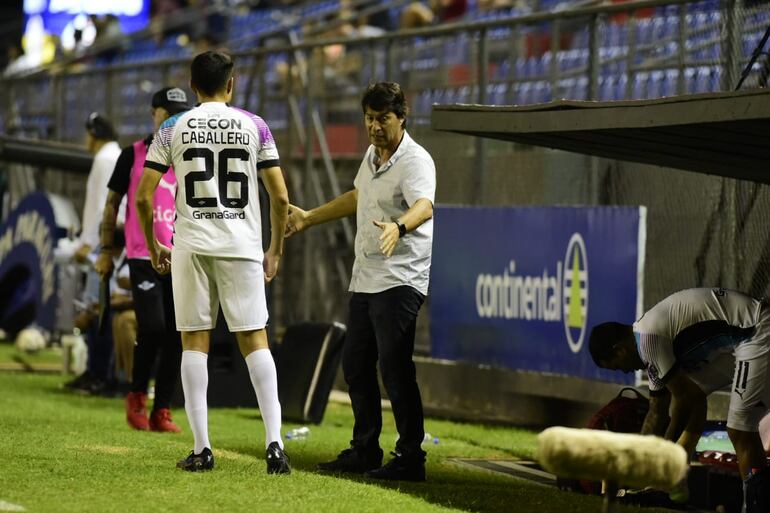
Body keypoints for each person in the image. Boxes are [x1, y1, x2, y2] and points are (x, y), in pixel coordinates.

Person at [135, 51, 291, 474]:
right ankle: (275, 445)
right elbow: (279, 197)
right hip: (242, 245)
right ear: (232, 83)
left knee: (194, 342)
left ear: (192, 85)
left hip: (192, 245)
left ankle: (202, 449)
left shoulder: (171, 127)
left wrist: (154, 245)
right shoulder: (255, 125)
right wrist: (274, 248)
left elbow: (145, 196)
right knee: (254, 340)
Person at [286, 81, 436, 482]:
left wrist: (399, 228)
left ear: (402, 116)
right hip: (366, 278)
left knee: (395, 368)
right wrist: (310, 217)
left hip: (401, 279)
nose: (374, 126)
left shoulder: (415, 160)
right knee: (355, 365)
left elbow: (425, 205)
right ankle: (366, 448)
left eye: (383, 118)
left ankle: (410, 458)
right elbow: (358, 196)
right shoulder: (371, 156)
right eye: (369, 118)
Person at [589, 287, 770, 512]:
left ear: (620, 351)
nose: (624, 372)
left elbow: (682, 400)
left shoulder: (648, 340)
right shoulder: (646, 339)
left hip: (756, 331)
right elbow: (658, 411)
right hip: (743, 335)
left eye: (617, 367)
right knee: (697, 392)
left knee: (740, 429)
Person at [95, 87, 191, 433]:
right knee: (152, 327)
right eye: (169, 111)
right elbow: (111, 204)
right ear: (155, 113)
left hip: (183, 254)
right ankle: (136, 395)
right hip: (142, 254)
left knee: (178, 334)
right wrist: (106, 250)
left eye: (181, 112)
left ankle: (162, 408)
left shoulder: (190, 154)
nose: (175, 118)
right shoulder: (132, 154)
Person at [64, 113, 123, 394]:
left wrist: (88, 242)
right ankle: (96, 371)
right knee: (97, 309)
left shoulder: (104, 159)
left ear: (94, 134)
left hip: (102, 243)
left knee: (99, 309)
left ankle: (101, 374)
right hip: (105, 240)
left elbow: (104, 206)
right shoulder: (112, 156)